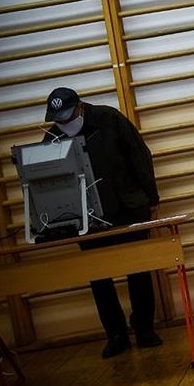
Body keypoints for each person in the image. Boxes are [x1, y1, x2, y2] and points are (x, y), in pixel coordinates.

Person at [43, 87, 163, 358]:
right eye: (58, 120)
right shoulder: (51, 138)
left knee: (139, 270)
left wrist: (152, 197)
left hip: (127, 208)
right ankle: (116, 335)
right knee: (99, 277)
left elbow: (139, 156)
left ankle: (144, 328)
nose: (64, 123)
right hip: (87, 218)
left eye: (68, 116)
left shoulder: (110, 119)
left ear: (80, 107)